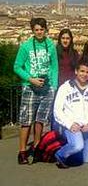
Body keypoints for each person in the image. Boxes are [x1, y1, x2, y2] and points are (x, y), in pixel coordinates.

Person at [14, 17, 59, 164]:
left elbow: (54, 67)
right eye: (36, 30)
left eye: (42, 29)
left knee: (40, 120)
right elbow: (17, 67)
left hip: (47, 89)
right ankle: (22, 152)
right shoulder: (25, 46)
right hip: (30, 88)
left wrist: (54, 86)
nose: (39, 32)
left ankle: (36, 147)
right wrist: (30, 79)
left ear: (46, 30)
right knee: (26, 121)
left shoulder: (50, 45)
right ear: (33, 31)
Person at [53, 60, 88, 168]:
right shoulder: (65, 88)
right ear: (76, 71)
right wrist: (69, 124)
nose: (85, 74)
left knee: (86, 159)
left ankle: (72, 149)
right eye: (82, 71)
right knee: (77, 146)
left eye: (87, 72)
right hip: (72, 126)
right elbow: (57, 110)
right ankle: (60, 154)